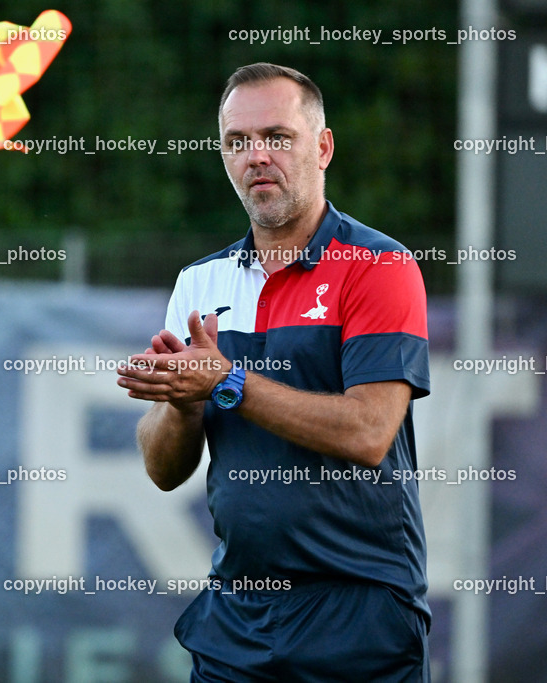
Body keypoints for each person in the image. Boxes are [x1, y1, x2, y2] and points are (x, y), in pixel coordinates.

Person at [116, 63, 431, 681]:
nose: (257, 156)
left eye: (277, 137)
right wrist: (181, 402)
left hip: (360, 608)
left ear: (323, 146)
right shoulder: (198, 282)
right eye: (238, 142)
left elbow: (369, 432)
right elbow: (161, 469)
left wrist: (226, 383)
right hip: (237, 611)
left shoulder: (379, 266)